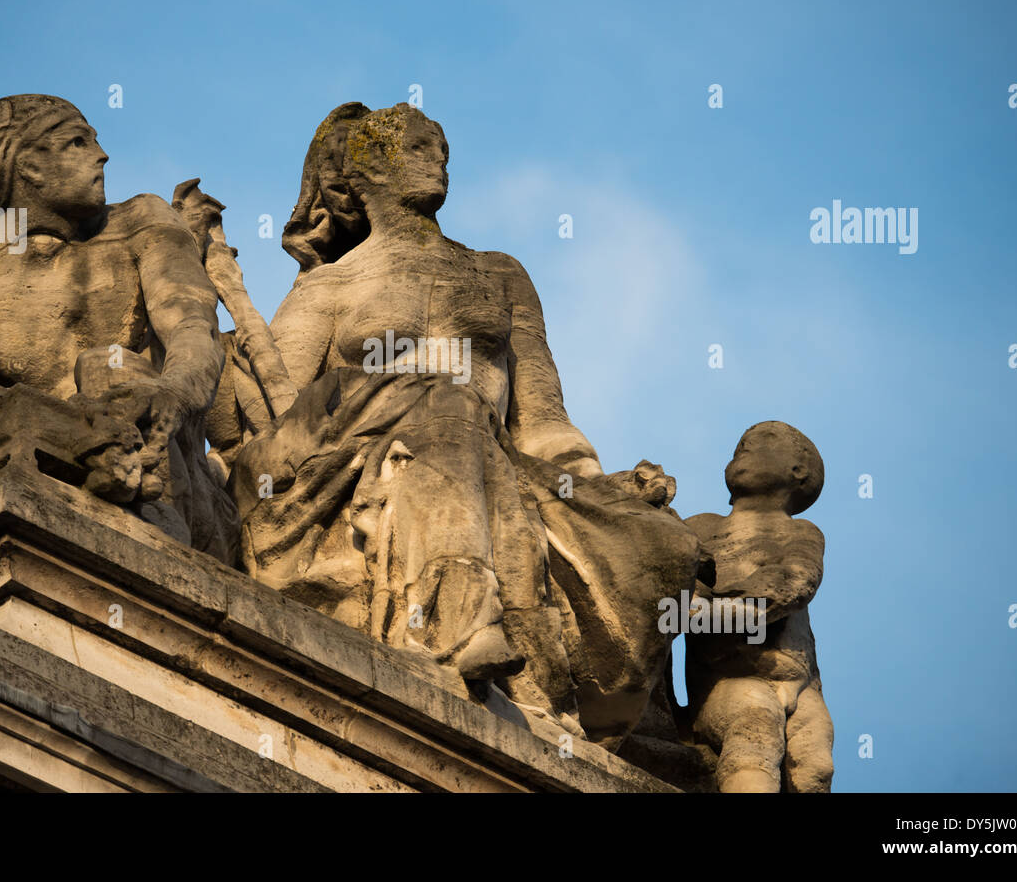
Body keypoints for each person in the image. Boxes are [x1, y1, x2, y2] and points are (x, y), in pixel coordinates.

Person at [200, 102, 701, 743]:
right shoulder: (327, 288)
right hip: (351, 465)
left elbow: (543, 419)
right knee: (443, 401)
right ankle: (463, 621)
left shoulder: (498, 274)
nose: (437, 159)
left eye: (440, 148)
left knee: (668, 547)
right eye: (416, 147)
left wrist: (591, 480)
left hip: (494, 463)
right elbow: (282, 412)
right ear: (361, 175)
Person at [0, 94, 237, 561]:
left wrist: (173, 394)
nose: (102, 154)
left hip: (165, 480)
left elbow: (193, 326)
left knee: (111, 369)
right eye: (78, 141)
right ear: (29, 167)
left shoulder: (141, 220)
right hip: (22, 510)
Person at [684, 421, 834, 791]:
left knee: (816, 767)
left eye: (761, 442)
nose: (743, 447)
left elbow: (795, 584)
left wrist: (721, 612)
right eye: (740, 443)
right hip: (728, 681)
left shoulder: (802, 532)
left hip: (801, 687)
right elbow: (669, 590)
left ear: (798, 471)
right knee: (755, 728)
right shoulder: (700, 528)